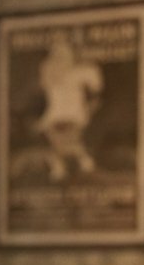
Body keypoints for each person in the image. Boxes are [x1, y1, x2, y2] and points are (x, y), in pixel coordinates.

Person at [34, 35, 103, 182]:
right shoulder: (48, 70)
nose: (60, 56)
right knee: (56, 142)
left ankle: (82, 163)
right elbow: (45, 85)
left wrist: (90, 105)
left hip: (72, 112)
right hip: (55, 113)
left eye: (63, 52)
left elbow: (96, 85)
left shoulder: (80, 71)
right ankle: (64, 167)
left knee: (71, 141)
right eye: (56, 52)